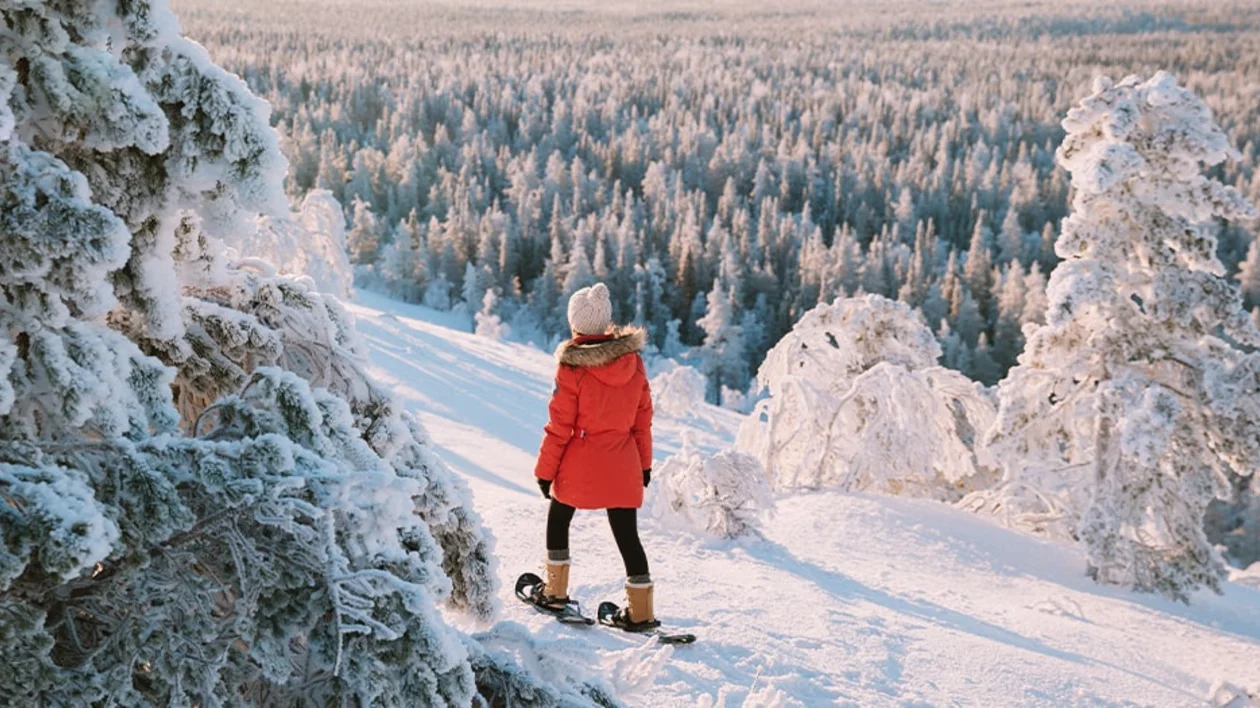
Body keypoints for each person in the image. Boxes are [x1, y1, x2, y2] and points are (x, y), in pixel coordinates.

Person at [530, 282, 657, 629]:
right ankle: (642, 610)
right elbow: (642, 422)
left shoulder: (571, 368)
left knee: (559, 519)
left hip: (581, 464)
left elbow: (559, 427)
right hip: (624, 462)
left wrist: (545, 472)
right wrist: (644, 465)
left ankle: (554, 592)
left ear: (576, 326)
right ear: (605, 324)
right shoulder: (634, 363)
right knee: (627, 535)